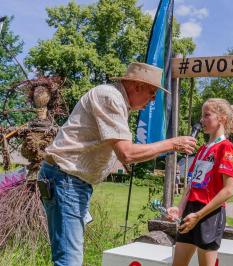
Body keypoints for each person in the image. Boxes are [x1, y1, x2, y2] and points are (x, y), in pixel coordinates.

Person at [38, 62, 197, 266]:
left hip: (69, 180)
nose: (153, 99)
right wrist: (173, 143)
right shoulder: (110, 97)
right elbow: (127, 153)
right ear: (137, 86)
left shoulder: (117, 100)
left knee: (69, 254)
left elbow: (121, 153)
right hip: (66, 179)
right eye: (152, 92)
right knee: (69, 259)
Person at [166, 98, 233, 266]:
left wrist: (199, 215)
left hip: (209, 213)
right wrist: (179, 209)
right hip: (190, 210)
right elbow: (192, 184)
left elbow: (228, 190)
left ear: (221, 118)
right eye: (202, 115)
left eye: (206, 115)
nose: (201, 120)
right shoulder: (202, 149)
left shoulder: (226, 147)